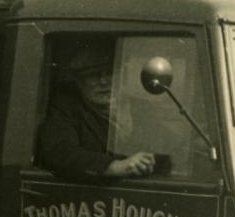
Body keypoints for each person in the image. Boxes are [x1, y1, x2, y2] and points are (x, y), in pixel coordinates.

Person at [37, 40, 157, 181]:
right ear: (78, 81)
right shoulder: (66, 109)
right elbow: (60, 152)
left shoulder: (141, 108)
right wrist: (117, 166)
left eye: (110, 73)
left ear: (122, 76)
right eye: (93, 75)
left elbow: (170, 148)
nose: (104, 81)